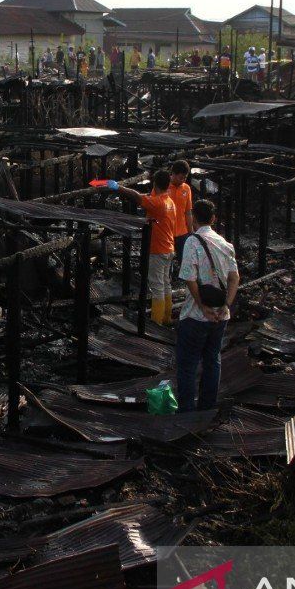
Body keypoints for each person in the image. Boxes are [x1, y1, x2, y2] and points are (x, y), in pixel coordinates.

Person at [176, 199, 239, 411]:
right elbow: (234, 278)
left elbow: (189, 277)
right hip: (220, 316)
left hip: (195, 315)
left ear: (193, 218)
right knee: (213, 360)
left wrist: (202, 306)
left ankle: (186, 412)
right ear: (213, 219)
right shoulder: (226, 244)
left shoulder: (192, 242)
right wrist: (226, 305)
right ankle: (207, 408)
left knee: (188, 365)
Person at [98, 171, 179, 326]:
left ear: (155, 184)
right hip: (169, 248)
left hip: (158, 249)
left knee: (156, 287)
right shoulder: (169, 202)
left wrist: (118, 187)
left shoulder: (157, 203)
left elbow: (136, 196)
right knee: (165, 284)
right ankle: (166, 318)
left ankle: (157, 323)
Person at [167, 159, 194, 262]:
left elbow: (188, 211)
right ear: (173, 174)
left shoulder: (186, 188)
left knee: (185, 261)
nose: (183, 180)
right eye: (180, 178)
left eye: (185, 178)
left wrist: (191, 231)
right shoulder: (163, 186)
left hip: (183, 232)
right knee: (167, 261)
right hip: (167, 231)